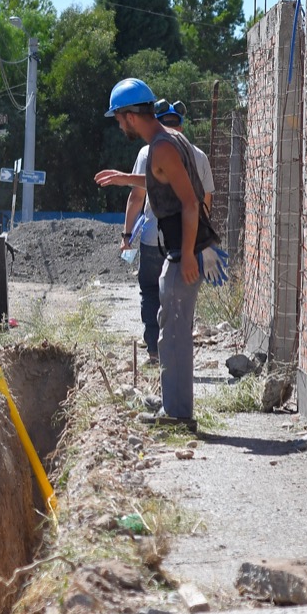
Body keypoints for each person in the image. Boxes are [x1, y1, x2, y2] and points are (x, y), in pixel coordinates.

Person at [96, 78, 205, 431]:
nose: (118, 125)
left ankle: (178, 415)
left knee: (173, 335)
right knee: (168, 331)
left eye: (118, 118)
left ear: (130, 115)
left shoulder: (162, 147)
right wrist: (126, 178)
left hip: (181, 251)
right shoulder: (167, 141)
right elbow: (161, 181)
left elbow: (190, 202)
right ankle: (174, 408)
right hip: (176, 249)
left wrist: (187, 254)